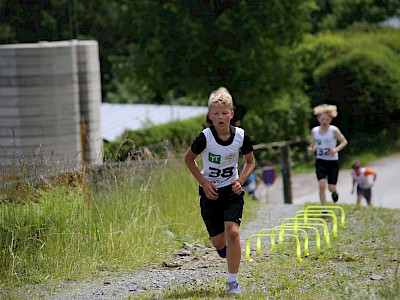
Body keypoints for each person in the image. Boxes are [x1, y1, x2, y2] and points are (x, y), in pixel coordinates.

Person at [184, 87, 255, 295]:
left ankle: (233, 282)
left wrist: (241, 181)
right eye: (215, 113)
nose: (220, 117)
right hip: (210, 192)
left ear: (232, 114)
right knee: (218, 241)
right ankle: (224, 250)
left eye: (225, 113)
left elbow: (250, 162)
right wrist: (204, 184)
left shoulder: (241, 136)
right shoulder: (205, 137)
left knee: (233, 233)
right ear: (209, 115)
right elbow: (189, 159)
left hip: (232, 190)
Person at [307, 104, 348, 205]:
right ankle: (324, 208)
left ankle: (334, 192)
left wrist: (336, 149)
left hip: (332, 161)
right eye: (322, 119)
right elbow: (314, 144)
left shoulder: (333, 130)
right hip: (320, 161)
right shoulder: (315, 131)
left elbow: (344, 141)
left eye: (327, 119)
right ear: (318, 119)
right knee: (321, 185)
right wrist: (311, 149)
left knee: (331, 187)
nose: (324, 121)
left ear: (330, 120)